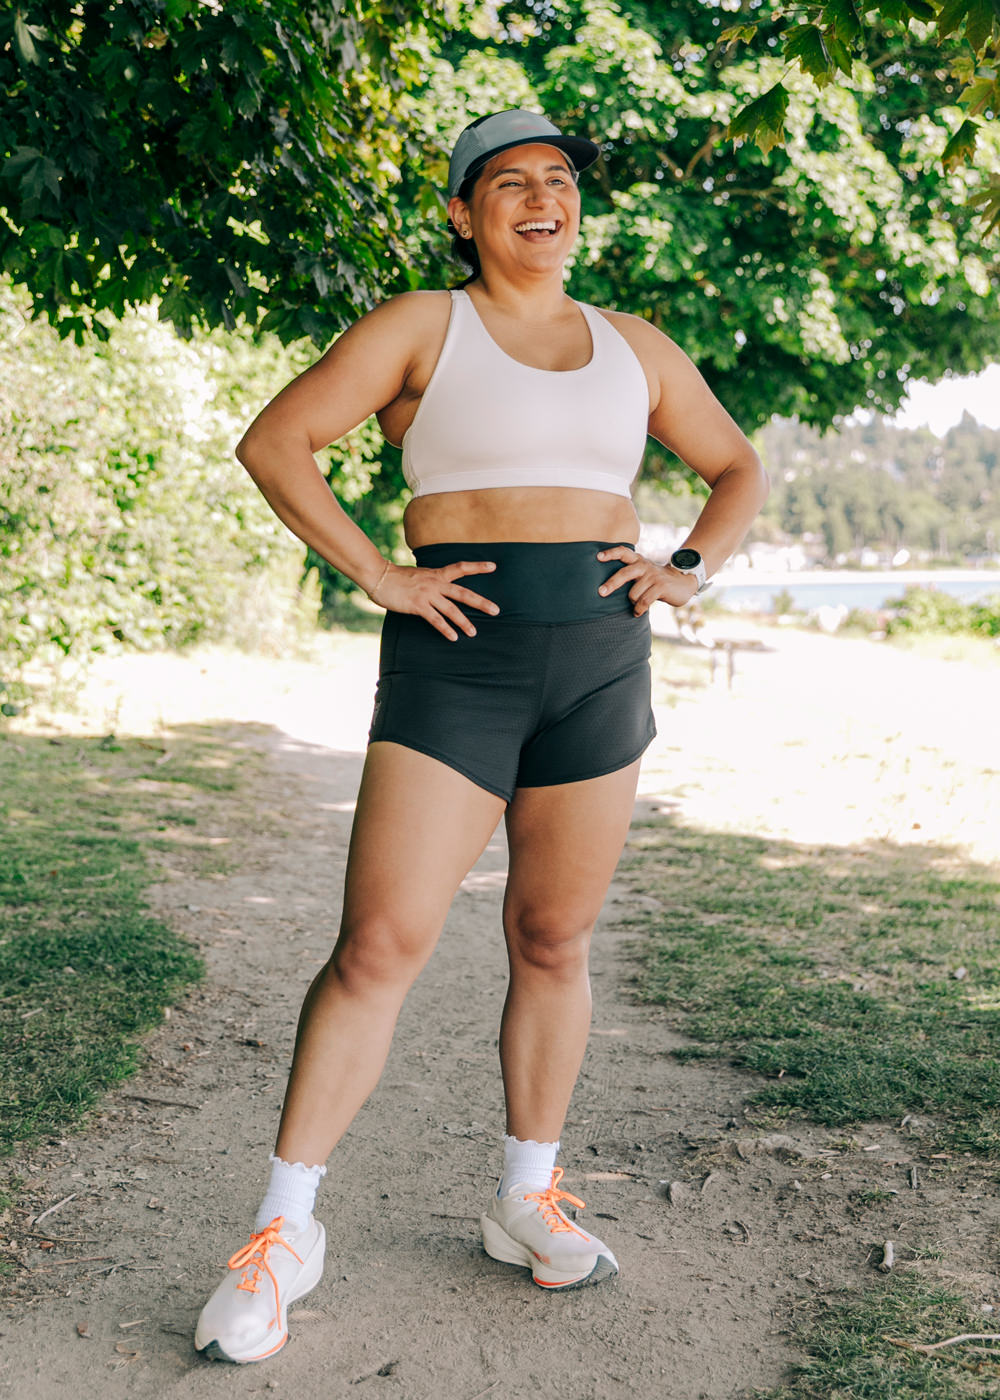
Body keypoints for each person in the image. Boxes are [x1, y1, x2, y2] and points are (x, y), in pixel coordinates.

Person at [194, 108, 768, 1363]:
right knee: (378, 944)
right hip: (460, 659)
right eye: (510, 183)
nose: (540, 198)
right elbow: (275, 441)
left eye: (559, 181)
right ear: (465, 212)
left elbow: (736, 468)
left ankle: (528, 1193)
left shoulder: (635, 346)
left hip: (601, 662)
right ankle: (284, 1232)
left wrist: (686, 567)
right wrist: (380, 576)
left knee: (552, 935)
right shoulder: (419, 323)